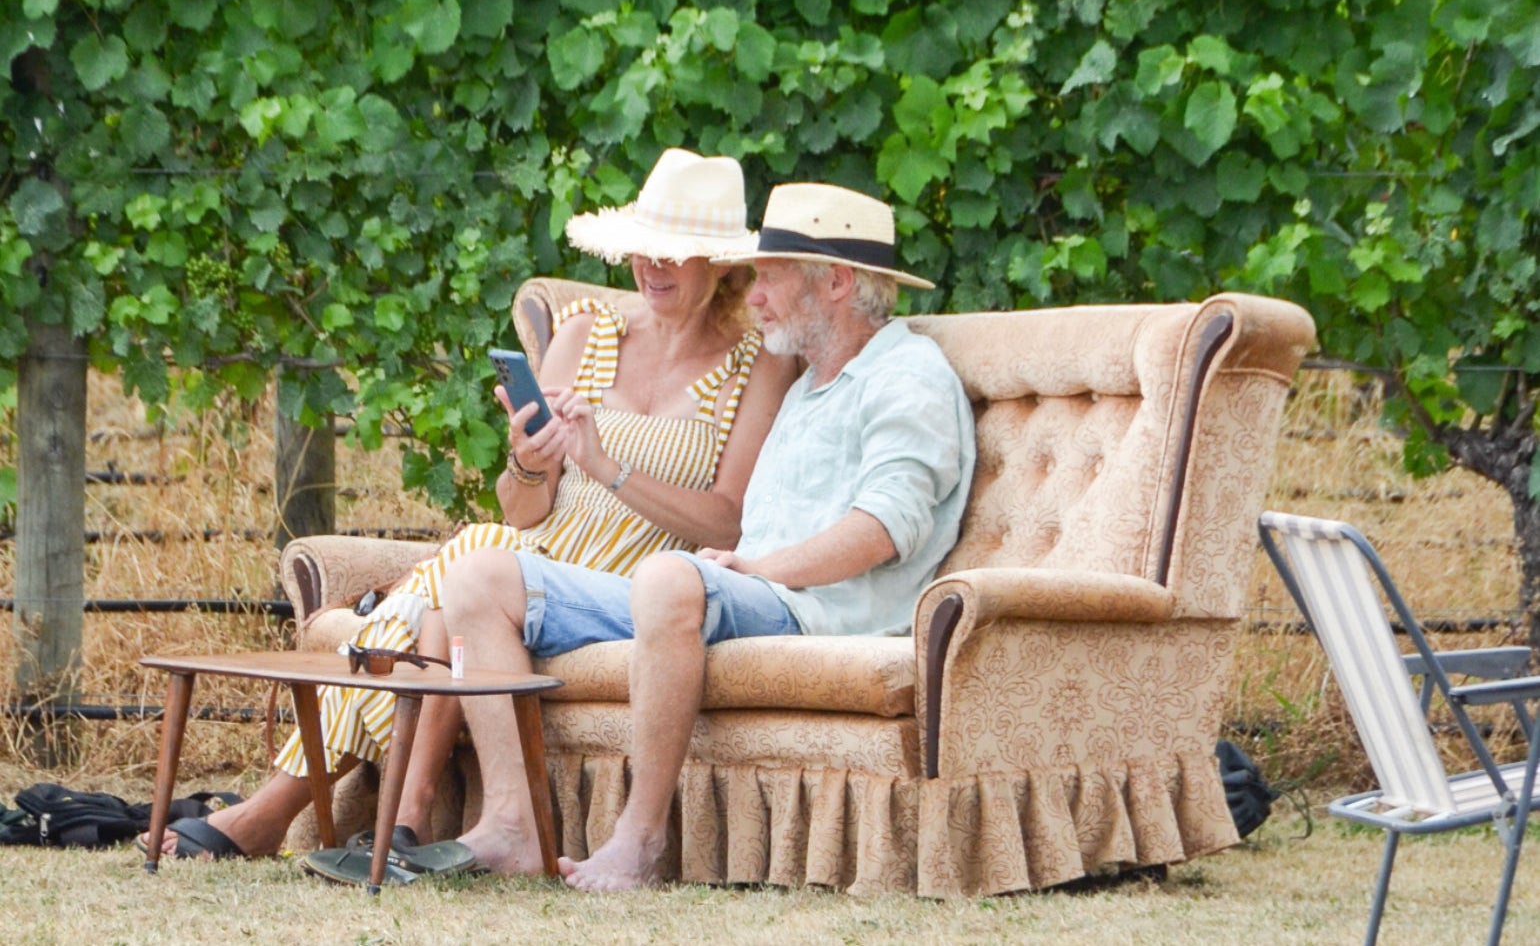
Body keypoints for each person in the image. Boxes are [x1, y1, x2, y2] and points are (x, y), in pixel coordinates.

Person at [144, 148, 798, 871]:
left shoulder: (755, 363)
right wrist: (531, 457)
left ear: (721, 263)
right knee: (466, 567)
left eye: (676, 252)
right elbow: (520, 509)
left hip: (632, 578)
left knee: (428, 604)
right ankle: (408, 811)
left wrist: (604, 464)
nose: (653, 266)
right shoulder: (586, 332)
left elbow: (726, 521)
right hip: (535, 549)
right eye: (641, 247)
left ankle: (285, 810)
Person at [432, 180, 976, 889]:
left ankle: (640, 841)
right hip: (748, 587)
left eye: (772, 279)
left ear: (838, 282)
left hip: (815, 609)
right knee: (481, 577)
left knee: (666, 575)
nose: (753, 298)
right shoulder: (812, 383)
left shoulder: (906, 377)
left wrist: (759, 567)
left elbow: (882, 528)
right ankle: (512, 824)